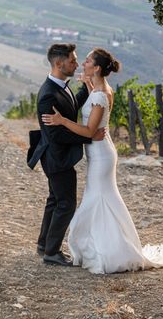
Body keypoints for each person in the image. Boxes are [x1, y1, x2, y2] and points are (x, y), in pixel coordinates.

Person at [42, 47, 163, 274]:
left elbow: (90, 131)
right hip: (100, 150)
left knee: (97, 198)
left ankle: (106, 250)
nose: (82, 63)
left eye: (87, 61)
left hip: (101, 154)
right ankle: (104, 245)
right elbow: (94, 114)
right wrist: (88, 86)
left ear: (97, 67)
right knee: (103, 197)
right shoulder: (100, 91)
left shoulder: (101, 94)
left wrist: (62, 121)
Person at [31, 43, 106, 266]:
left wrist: (86, 89)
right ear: (58, 63)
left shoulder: (61, 85)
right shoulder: (48, 95)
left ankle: (44, 244)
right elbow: (56, 136)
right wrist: (89, 136)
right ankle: (52, 252)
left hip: (57, 156)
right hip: (57, 157)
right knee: (66, 204)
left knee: (54, 200)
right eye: (72, 60)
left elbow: (70, 109)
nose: (76, 63)